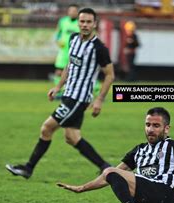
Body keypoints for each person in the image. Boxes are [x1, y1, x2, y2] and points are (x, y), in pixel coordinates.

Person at [6, 7, 115, 179]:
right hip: (68, 94)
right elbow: (69, 66)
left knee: (46, 128)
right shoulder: (73, 39)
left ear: (95, 24)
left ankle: (28, 168)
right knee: (72, 137)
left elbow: (110, 75)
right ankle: (105, 166)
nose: (84, 25)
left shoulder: (99, 48)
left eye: (88, 22)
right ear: (78, 22)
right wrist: (58, 87)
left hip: (79, 98)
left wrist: (99, 99)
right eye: (82, 21)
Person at [53, 4, 80, 98]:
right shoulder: (63, 21)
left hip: (76, 52)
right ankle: (59, 92)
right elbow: (57, 33)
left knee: (76, 73)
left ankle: (71, 92)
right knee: (59, 71)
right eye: (71, 11)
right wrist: (58, 41)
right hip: (64, 51)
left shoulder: (81, 23)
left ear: (77, 12)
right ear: (68, 12)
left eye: (74, 11)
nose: (72, 12)